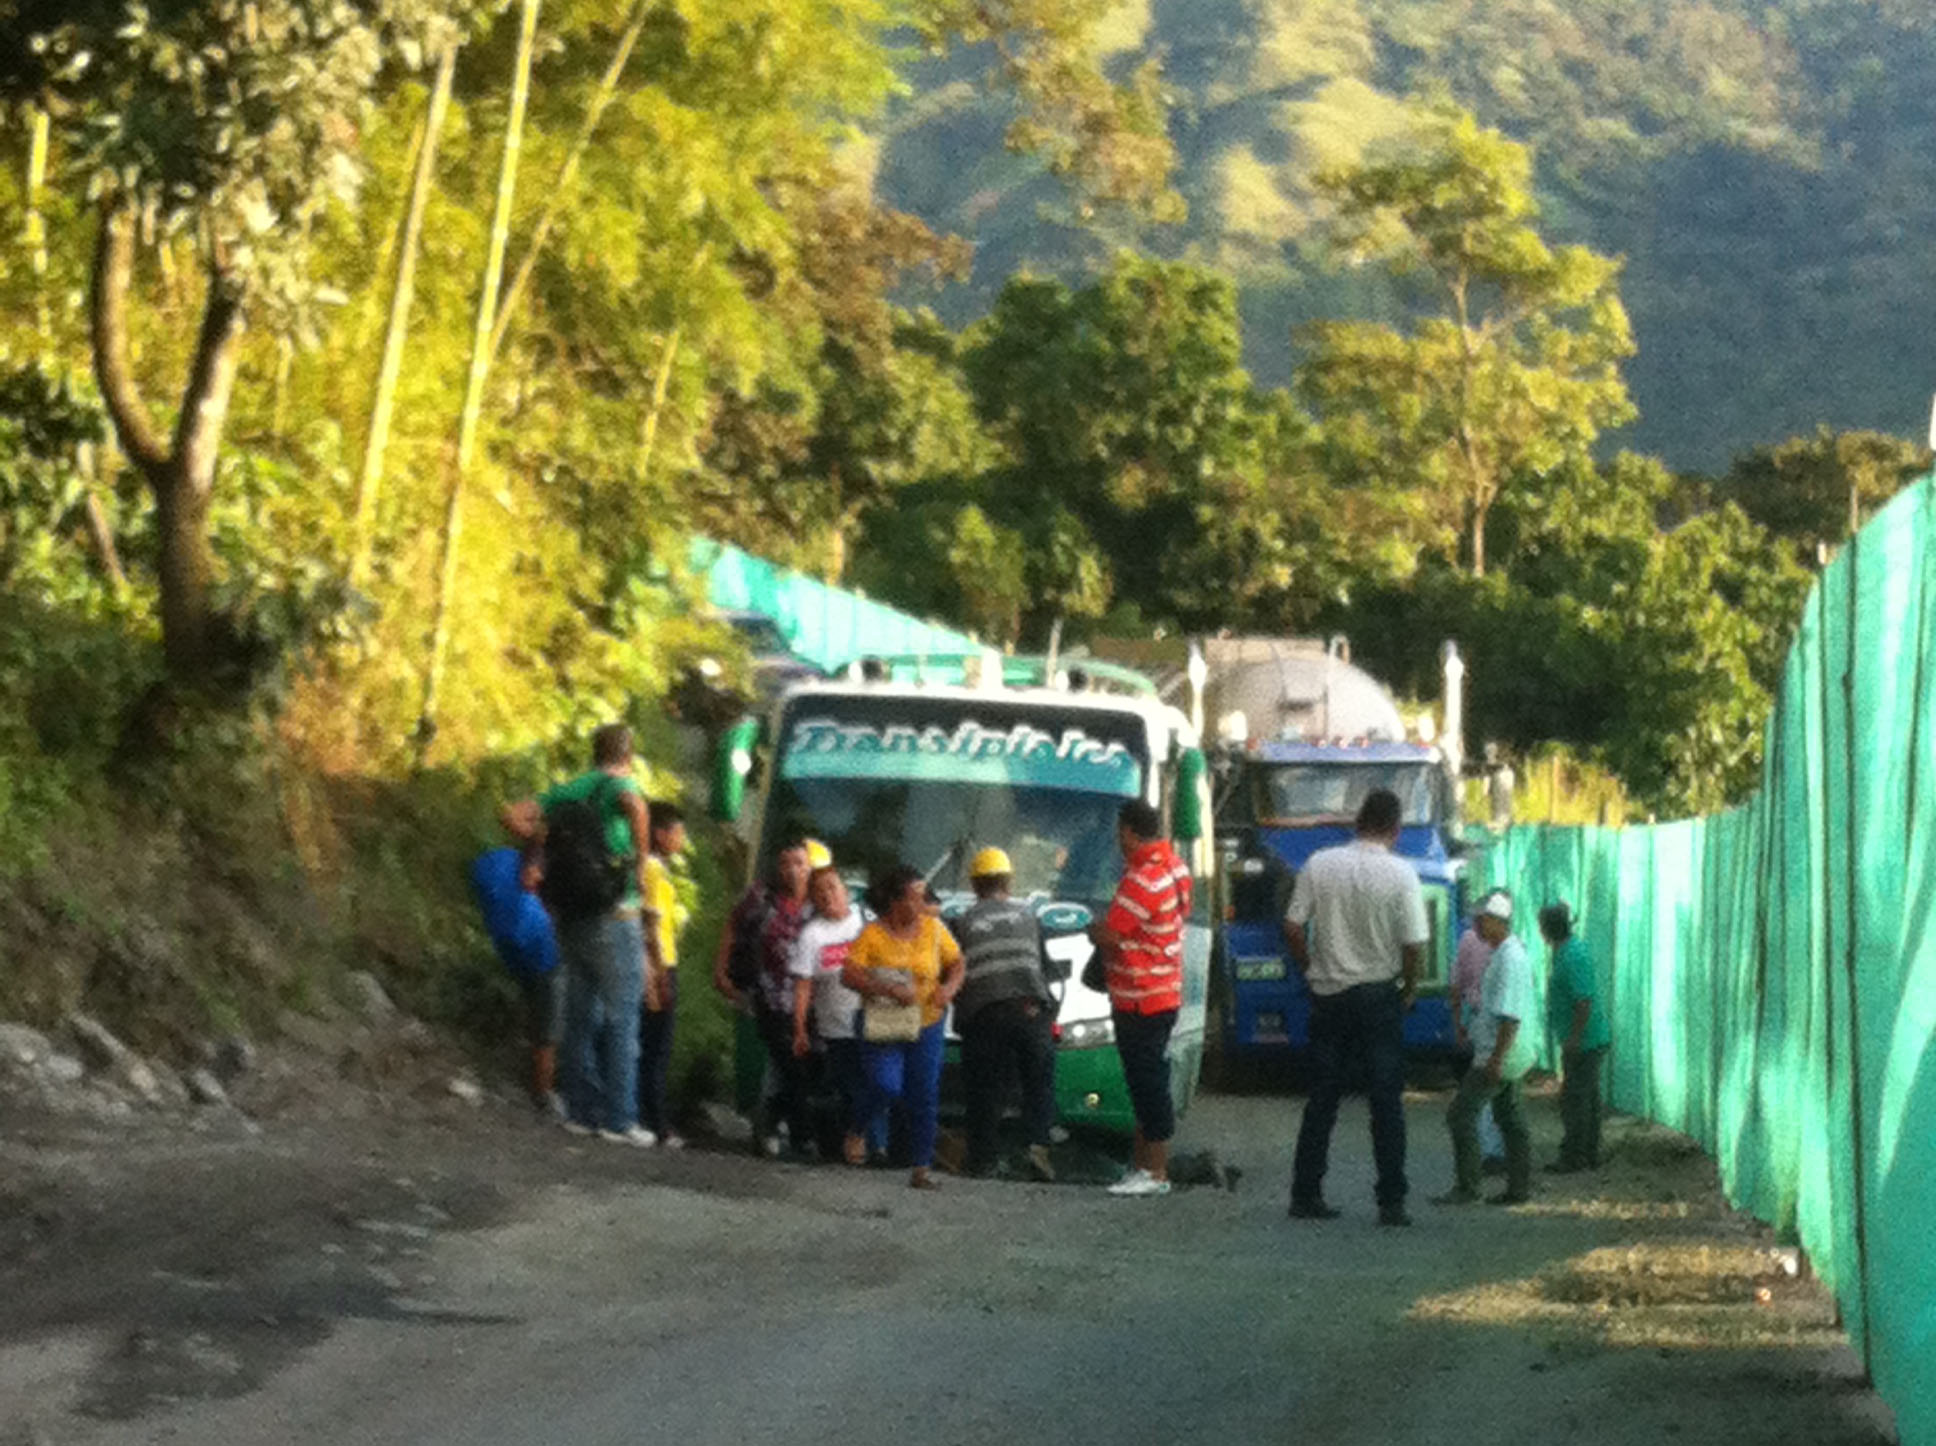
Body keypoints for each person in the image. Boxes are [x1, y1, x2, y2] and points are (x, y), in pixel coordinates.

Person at [1282, 788, 1427, 1227]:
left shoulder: (1319, 864)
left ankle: (1306, 1193)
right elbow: (1414, 943)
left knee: (1322, 1097)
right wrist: (1408, 987)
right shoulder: (1402, 874)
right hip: (1378, 996)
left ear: (1357, 821)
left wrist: (1311, 968)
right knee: (1385, 1100)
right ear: (1395, 829)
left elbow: (1292, 925)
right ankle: (1391, 1200)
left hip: (1328, 995)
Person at [505, 723, 655, 1146]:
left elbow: (512, 813)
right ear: (628, 754)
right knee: (624, 1016)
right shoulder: (620, 784)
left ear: (594, 752)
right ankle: (620, 1119)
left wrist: (539, 842)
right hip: (615, 912)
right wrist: (641, 863)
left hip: (569, 913)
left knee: (580, 1014)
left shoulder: (569, 791)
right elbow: (637, 807)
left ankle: (580, 1111)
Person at [1092, 800, 1192, 1199]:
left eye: (1121, 833)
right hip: (1165, 988)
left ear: (1131, 832)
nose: (1119, 841)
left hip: (1139, 994)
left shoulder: (1141, 879)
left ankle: (1155, 1170)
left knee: (1147, 1081)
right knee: (1145, 1079)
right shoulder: (1177, 868)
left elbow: (1112, 934)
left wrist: (1092, 930)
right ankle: (1142, 1165)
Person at [842, 864, 965, 1189]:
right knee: (886, 1085)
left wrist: (949, 988)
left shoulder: (935, 929)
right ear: (896, 902)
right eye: (916, 898)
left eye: (925, 898)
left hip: (927, 1023)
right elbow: (849, 973)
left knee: (924, 1094)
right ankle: (858, 1129)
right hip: (884, 1022)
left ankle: (921, 1167)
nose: (923, 905)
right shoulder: (872, 934)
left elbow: (958, 963)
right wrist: (887, 989)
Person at [953, 847, 1058, 1182]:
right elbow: (1046, 970)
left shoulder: (963, 921)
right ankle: (1038, 1146)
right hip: (1030, 1010)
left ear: (974, 885)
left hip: (985, 1014)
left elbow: (955, 972)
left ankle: (984, 1159)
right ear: (1008, 883)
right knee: (1038, 1082)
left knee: (984, 1088)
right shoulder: (1029, 917)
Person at [1438, 891, 1534, 1205]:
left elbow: (1510, 1015)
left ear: (1496, 921)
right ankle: (1519, 1188)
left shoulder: (1508, 958)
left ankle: (1469, 1187)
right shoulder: (1505, 952)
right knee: (1511, 1119)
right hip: (1504, 1052)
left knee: (1461, 1115)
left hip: (1497, 1054)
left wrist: (1496, 1058)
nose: (1477, 926)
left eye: (1482, 920)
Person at [736, 838, 818, 1158]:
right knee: (791, 1064)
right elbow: (735, 927)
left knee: (799, 1068)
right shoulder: (762, 898)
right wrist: (723, 972)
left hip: (809, 1003)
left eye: (799, 863)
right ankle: (801, 1136)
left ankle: (771, 1118)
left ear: (810, 867)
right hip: (770, 996)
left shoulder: (819, 905)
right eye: (786, 864)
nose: (793, 871)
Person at [787, 863, 871, 1162]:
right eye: (819, 892)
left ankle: (872, 1144)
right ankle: (845, 1146)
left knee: (874, 1085)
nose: (828, 896)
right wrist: (799, 1029)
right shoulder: (813, 935)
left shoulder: (865, 923)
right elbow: (802, 986)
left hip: (873, 1023)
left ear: (846, 891)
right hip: (835, 1029)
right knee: (846, 1088)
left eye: (833, 888)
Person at [469, 835, 560, 1110]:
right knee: (546, 1021)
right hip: (539, 951)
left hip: (509, 947)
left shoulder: (499, 862)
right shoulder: (531, 907)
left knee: (535, 1009)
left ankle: (535, 1078)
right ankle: (543, 1092)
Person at [1541, 901, 1609, 1174]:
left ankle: (1574, 1156)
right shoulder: (1568, 952)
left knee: (1574, 1100)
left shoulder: (1572, 957)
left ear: (1546, 930)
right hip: (1585, 1037)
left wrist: (1574, 1038)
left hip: (1584, 1040)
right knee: (1586, 1098)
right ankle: (1588, 1154)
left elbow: (1584, 1001)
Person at [637, 800, 690, 1148]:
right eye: (678, 832)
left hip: (663, 963)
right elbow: (651, 923)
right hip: (660, 966)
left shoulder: (655, 868)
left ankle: (648, 1116)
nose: (681, 839)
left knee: (653, 1045)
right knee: (656, 1048)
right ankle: (655, 1122)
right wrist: (656, 974)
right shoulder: (653, 870)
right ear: (661, 833)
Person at [1450, 909, 1507, 1169]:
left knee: (1487, 1089)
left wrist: (1458, 1022)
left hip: (1481, 1021)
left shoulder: (1469, 941)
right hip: (1491, 1023)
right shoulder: (1509, 949)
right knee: (1491, 1088)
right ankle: (1493, 1151)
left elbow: (1456, 983)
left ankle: (1489, 1150)